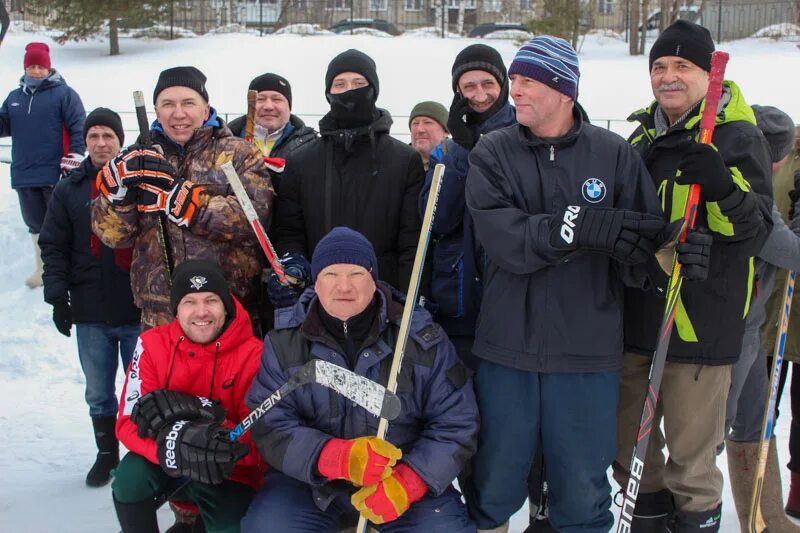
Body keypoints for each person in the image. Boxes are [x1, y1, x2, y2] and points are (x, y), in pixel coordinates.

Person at [462, 36, 674, 533]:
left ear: (564, 89)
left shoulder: (614, 155)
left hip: (586, 352)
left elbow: (643, 243)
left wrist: (666, 251)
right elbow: (502, 237)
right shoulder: (494, 151)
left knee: (582, 490)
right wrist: (572, 229)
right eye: (513, 81)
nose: (515, 92)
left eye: (527, 82)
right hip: (506, 349)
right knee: (492, 482)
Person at [613, 21, 773, 532]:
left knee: (692, 461)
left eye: (682, 66)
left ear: (709, 75)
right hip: (639, 320)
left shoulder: (738, 136)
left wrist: (723, 186)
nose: (668, 76)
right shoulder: (639, 135)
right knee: (627, 448)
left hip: (702, 326)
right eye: (659, 66)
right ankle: (649, 520)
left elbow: (752, 229)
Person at [242, 227, 479, 532]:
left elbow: (456, 422)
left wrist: (410, 482)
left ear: (373, 278)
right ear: (316, 281)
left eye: (355, 273)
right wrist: (333, 457)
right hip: (310, 483)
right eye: (331, 274)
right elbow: (269, 423)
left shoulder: (419, 339)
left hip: (400, 476)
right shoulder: (284, 343)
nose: (344, 287)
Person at [91, 66, 274, 332]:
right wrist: (117, 196)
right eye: (168, 104)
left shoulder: (239, 154)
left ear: (205, 107)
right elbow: (113, 237)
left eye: (188, 103)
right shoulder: (139, 158)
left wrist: (191, 206)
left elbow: (257, 219)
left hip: (228, 308)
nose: (178, 113)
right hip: (161, 311)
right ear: (156, 111)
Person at [112, 260, 267, 533]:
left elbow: (262, 440)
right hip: (165, 459)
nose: (201, 312)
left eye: (211, 300)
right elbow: (127, 421)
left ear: (226, 305)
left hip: (228, 470)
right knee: (129, 480)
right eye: (189, 301)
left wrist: (213, 438)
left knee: (231, 524)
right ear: (176, 309)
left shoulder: (256, 354)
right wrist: (171, 449)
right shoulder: (151, 344)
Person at [268, 49, 424, 310]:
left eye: (359, 84)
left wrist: (406, 301)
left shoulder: (404, 160)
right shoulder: (302, 161)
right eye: (339, 84)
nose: (349, 91)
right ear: (328, 93)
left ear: (373, 89)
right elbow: (289, 232)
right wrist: (296, 269)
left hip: (383, 299)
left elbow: (412, 242)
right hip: (318, 301)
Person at [39, 108, 140, 488]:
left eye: (108, 136)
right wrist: (57, 296)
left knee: (140, 390)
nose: (101, 143)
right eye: (94, 136)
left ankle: (140, 453)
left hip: (135, 307)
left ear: (119, 140)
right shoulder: (69, 188)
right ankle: (105, 453)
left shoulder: (137, 181)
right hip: (90, 310)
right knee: (99, 389)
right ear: (86, 141)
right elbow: (53, 245)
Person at [724, 106, 799, 531]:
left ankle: (766, 518)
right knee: (714, 431)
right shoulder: (751, 191)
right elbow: (792, 252)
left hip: (751, 329)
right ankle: (694, 513)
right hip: (728, 333)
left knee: (752, 425)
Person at [419, 44, 516, 369]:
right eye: (469, 86)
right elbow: (437, 218)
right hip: (459, 301)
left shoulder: (526, 134)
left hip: (514, 301)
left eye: (488, 84)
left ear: (503, 85)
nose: (479, 95)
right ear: (458, 92)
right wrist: (462, 149)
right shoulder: (447, 151)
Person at [0, 42, 86, 288]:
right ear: (25, 68)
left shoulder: (64, 94)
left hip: (54, 172)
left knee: (59, 223)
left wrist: (75, 156)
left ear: (49, 68)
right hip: (24, 173)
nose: (36, 71)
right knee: (35, 225)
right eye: (32, 66)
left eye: (41, 67)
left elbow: (78, 126)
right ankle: (43, 269)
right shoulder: (14, 98)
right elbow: (3, 125)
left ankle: (67, 268)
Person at [228, 72, 317, 188]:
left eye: (276, 99)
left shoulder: (310, 146)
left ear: (289, 107)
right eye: (260, 99)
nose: (268, 106)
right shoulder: (226, 143)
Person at [408, 101, 448, 170]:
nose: (420, 130)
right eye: (415, 123)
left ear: (445, 131)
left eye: (427, 123)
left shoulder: (459, 162)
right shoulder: (397, 162)